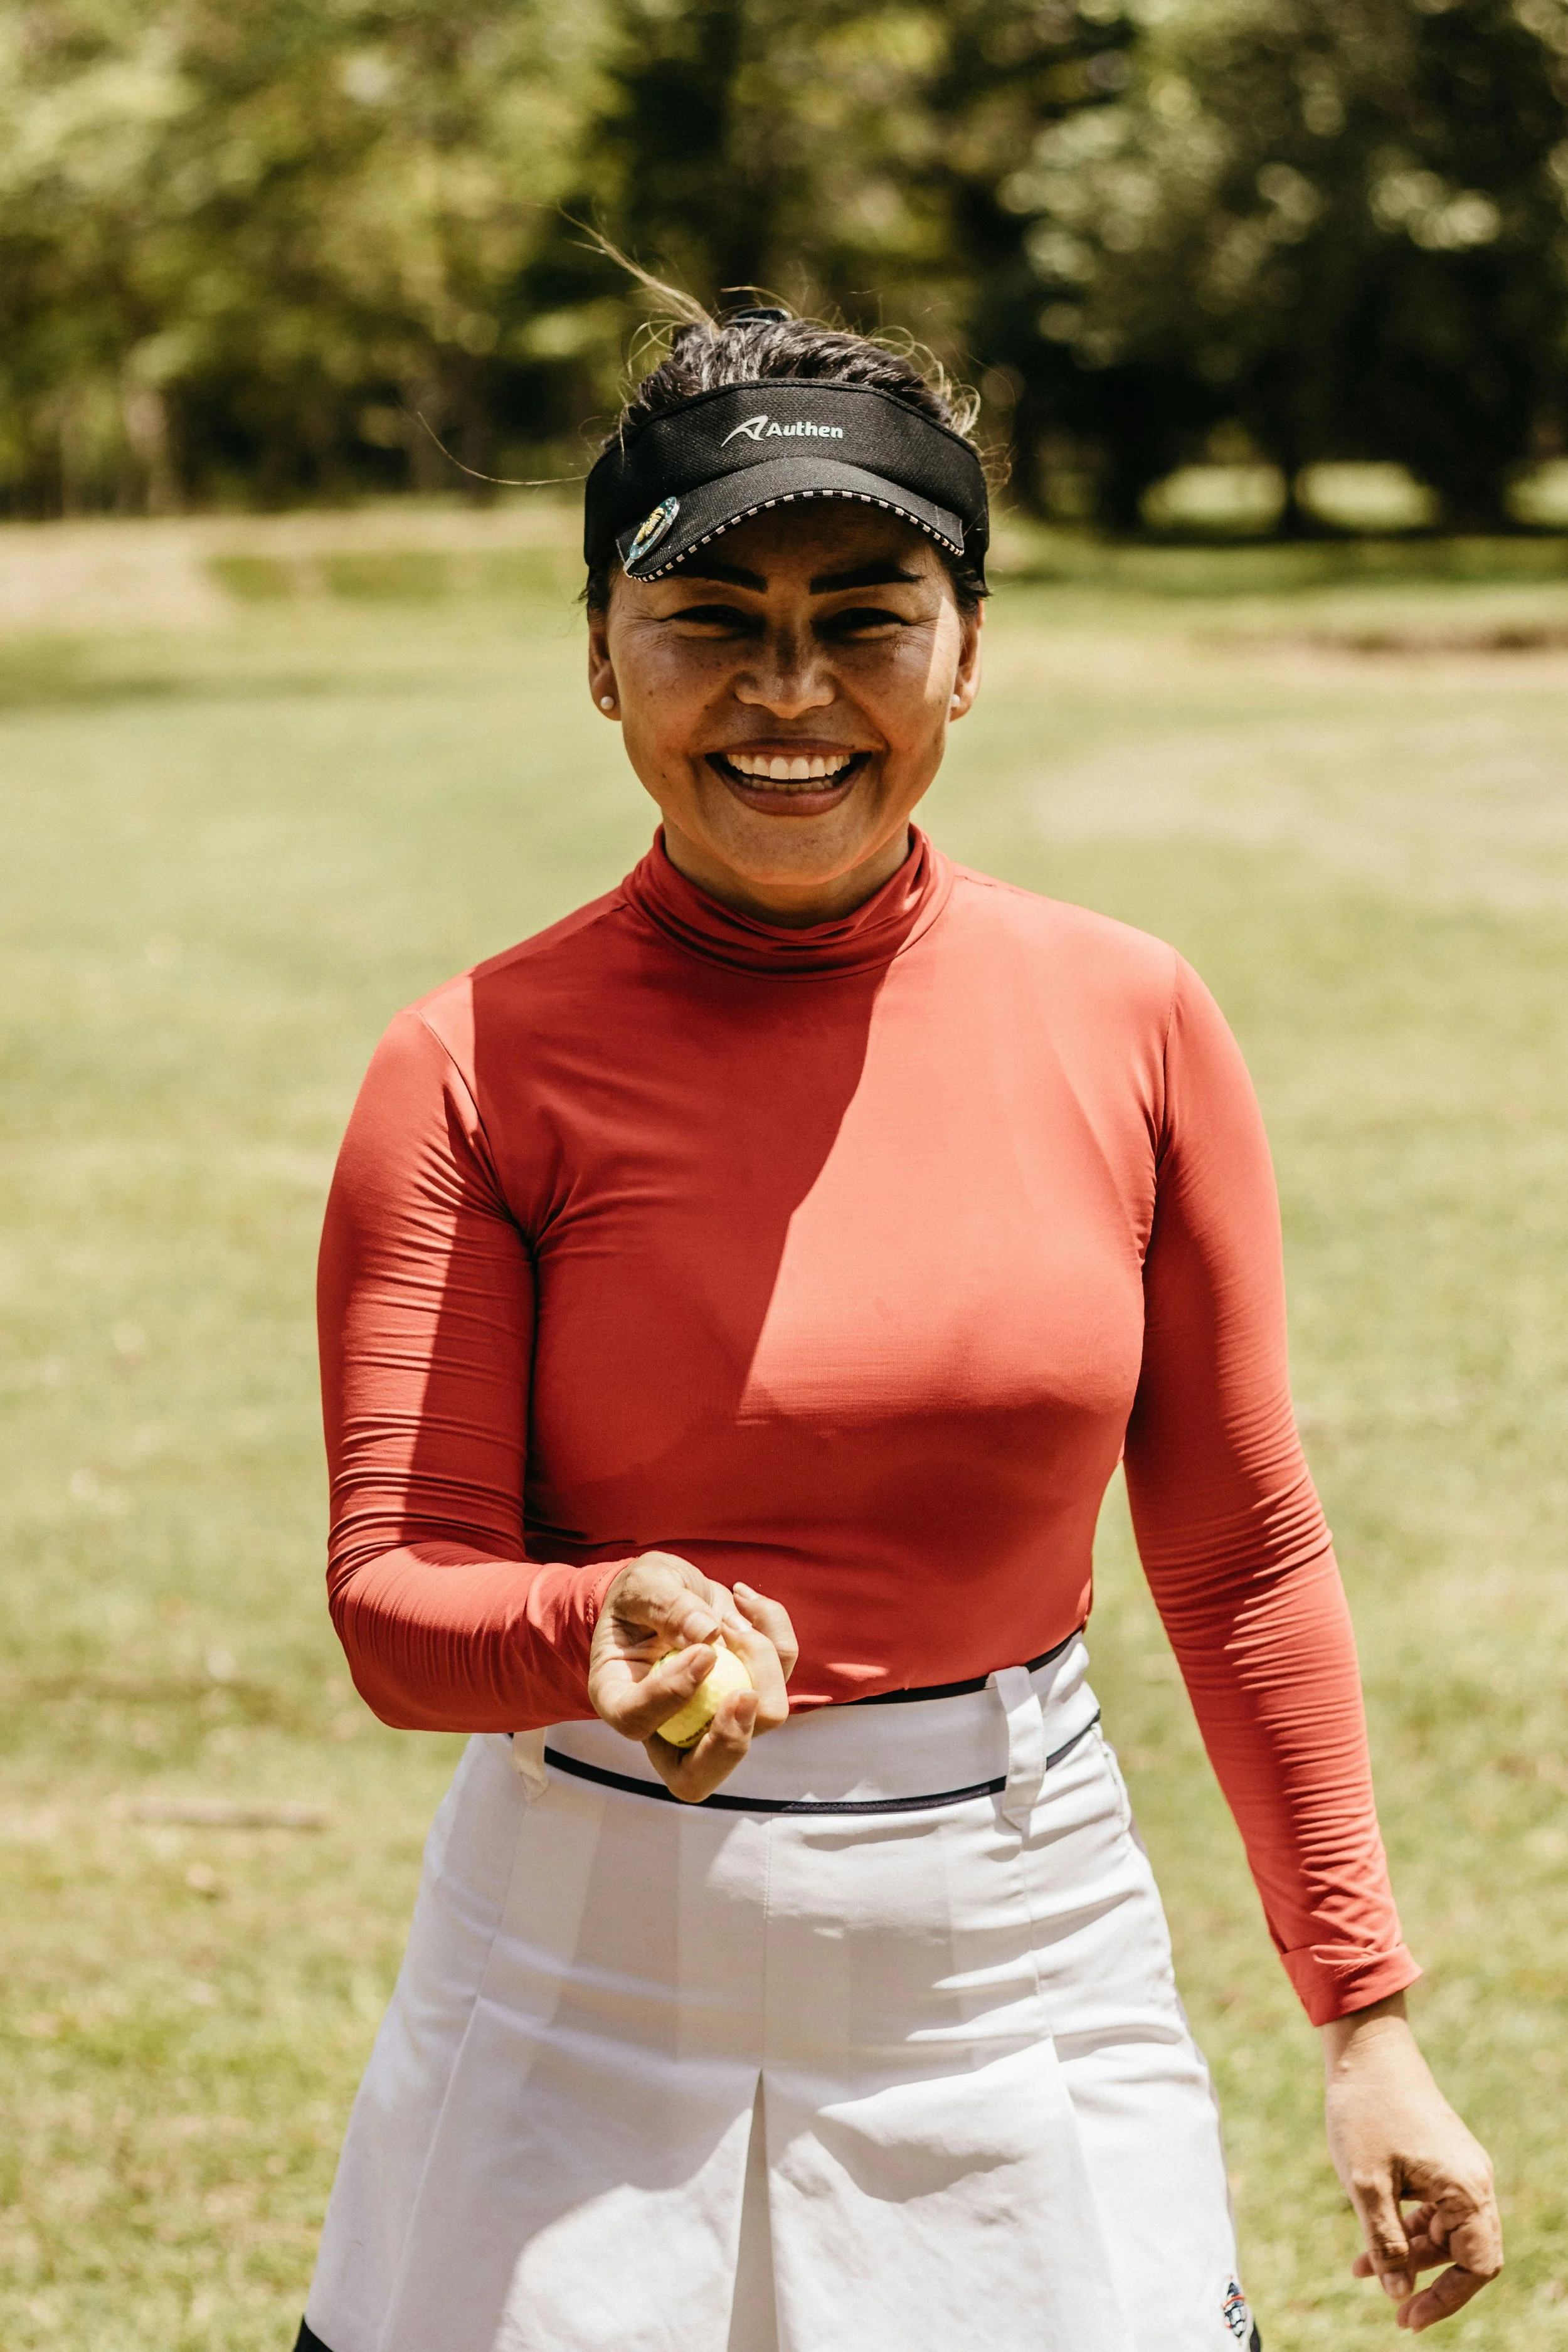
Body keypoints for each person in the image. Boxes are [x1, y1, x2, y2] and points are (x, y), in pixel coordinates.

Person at [294, 299, 1502, 2352]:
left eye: (865, 614)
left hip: (1018, 1966)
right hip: (583, 1978)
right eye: (708, 617)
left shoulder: (1129, 1014)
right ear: (601, 651)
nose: (790, 693)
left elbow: (1239, 1551)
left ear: (966, 647)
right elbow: (392, 1594)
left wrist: (1364, 2021)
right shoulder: (473, 1064)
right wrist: (581, 1627)